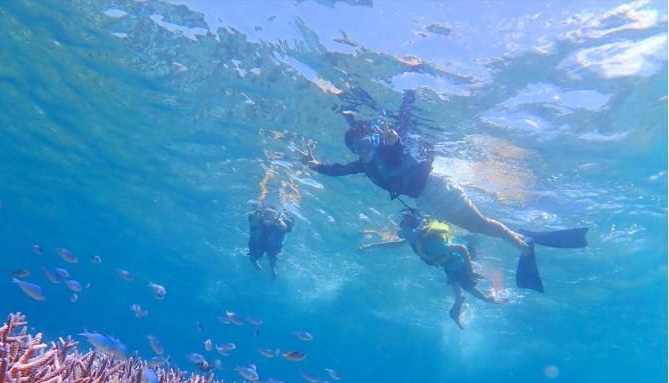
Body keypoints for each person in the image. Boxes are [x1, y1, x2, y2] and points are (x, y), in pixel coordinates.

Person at [302, 96, 588, 291]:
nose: (362, 150)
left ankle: (525, 245)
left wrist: (399, 121)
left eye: (366, 143)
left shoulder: (388, 150)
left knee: (483, 226)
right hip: (427, 201)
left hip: (438, 189)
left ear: (376, 140)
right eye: (356, 148)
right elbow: (340, 169)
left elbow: (395, 145)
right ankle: (521, 237)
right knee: (481, 227)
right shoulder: (366, 164)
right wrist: (316, 165)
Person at [395, 210, 504, 329]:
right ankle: (477, 303)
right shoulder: (419, 240)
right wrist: (375, 246)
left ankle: (459, 312)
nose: (403, 234)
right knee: (464, 293)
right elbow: (398, 243)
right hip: (454, 268)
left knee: (461, 295)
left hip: (455, 268)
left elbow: (461, 249)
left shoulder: (426, 242)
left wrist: (470, 270)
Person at [248, 204, 294, 279]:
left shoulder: (279, 222)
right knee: (253, 255)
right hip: (257, 244)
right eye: (266, 213)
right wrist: (257, 214)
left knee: (273, 257)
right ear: (263, 213)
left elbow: (284, 228)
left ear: (276, 215)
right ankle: (255, 263)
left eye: (272, 213)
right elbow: (253, 222)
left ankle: (272, 268)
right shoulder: (257, 220)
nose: (269, 215)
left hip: (272, 246)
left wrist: (277, 220)